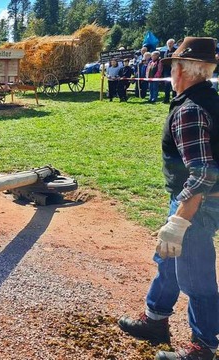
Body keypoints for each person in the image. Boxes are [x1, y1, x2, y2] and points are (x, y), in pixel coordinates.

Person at [118, 37, 219, 360]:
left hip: (195, 204)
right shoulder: (208, 99)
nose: (170, 73)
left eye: (172, 67)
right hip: (195, 200)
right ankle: (156, 319)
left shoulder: (190, 110)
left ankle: (203, 347)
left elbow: (203, 174)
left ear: (181, 70)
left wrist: (178, 221)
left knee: (196, 275)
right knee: (167, 259)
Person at [162, 39, 177, 103]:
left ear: (173, 44)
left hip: (174, 69)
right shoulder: (166, 52)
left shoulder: (176, 51)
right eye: (168, 43)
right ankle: (166, 99)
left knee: (174, 85)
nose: (169, 45)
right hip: (166, 70)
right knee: (166, 85)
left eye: (171, 43)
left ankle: (174, 98)